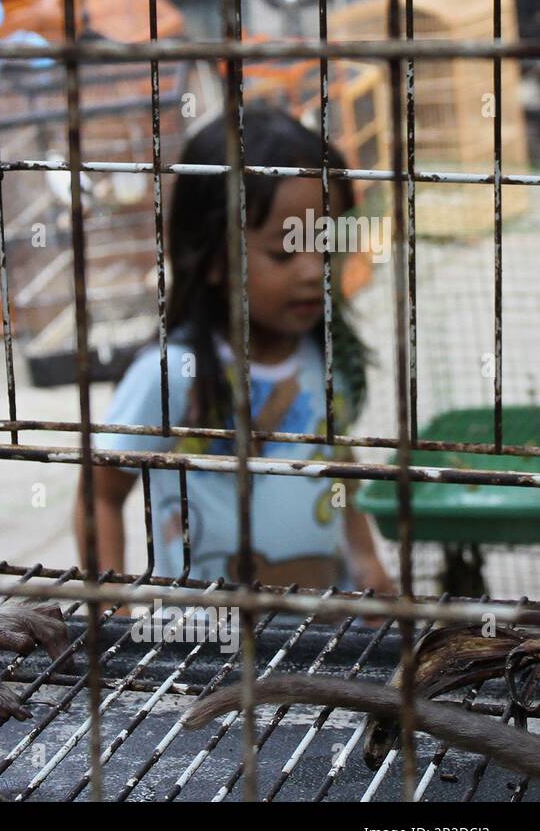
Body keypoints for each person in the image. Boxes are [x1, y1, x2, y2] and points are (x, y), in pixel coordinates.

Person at [74, 106, 395, 594]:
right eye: (283, 253)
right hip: (203, 649)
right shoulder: (174, 374)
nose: (314, 272)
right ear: (213, 260)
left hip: (325, 632)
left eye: (326, 247)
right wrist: (113, 612)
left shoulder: (326, 357)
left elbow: (337, 473)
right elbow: (99, 495)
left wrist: (367, 561)